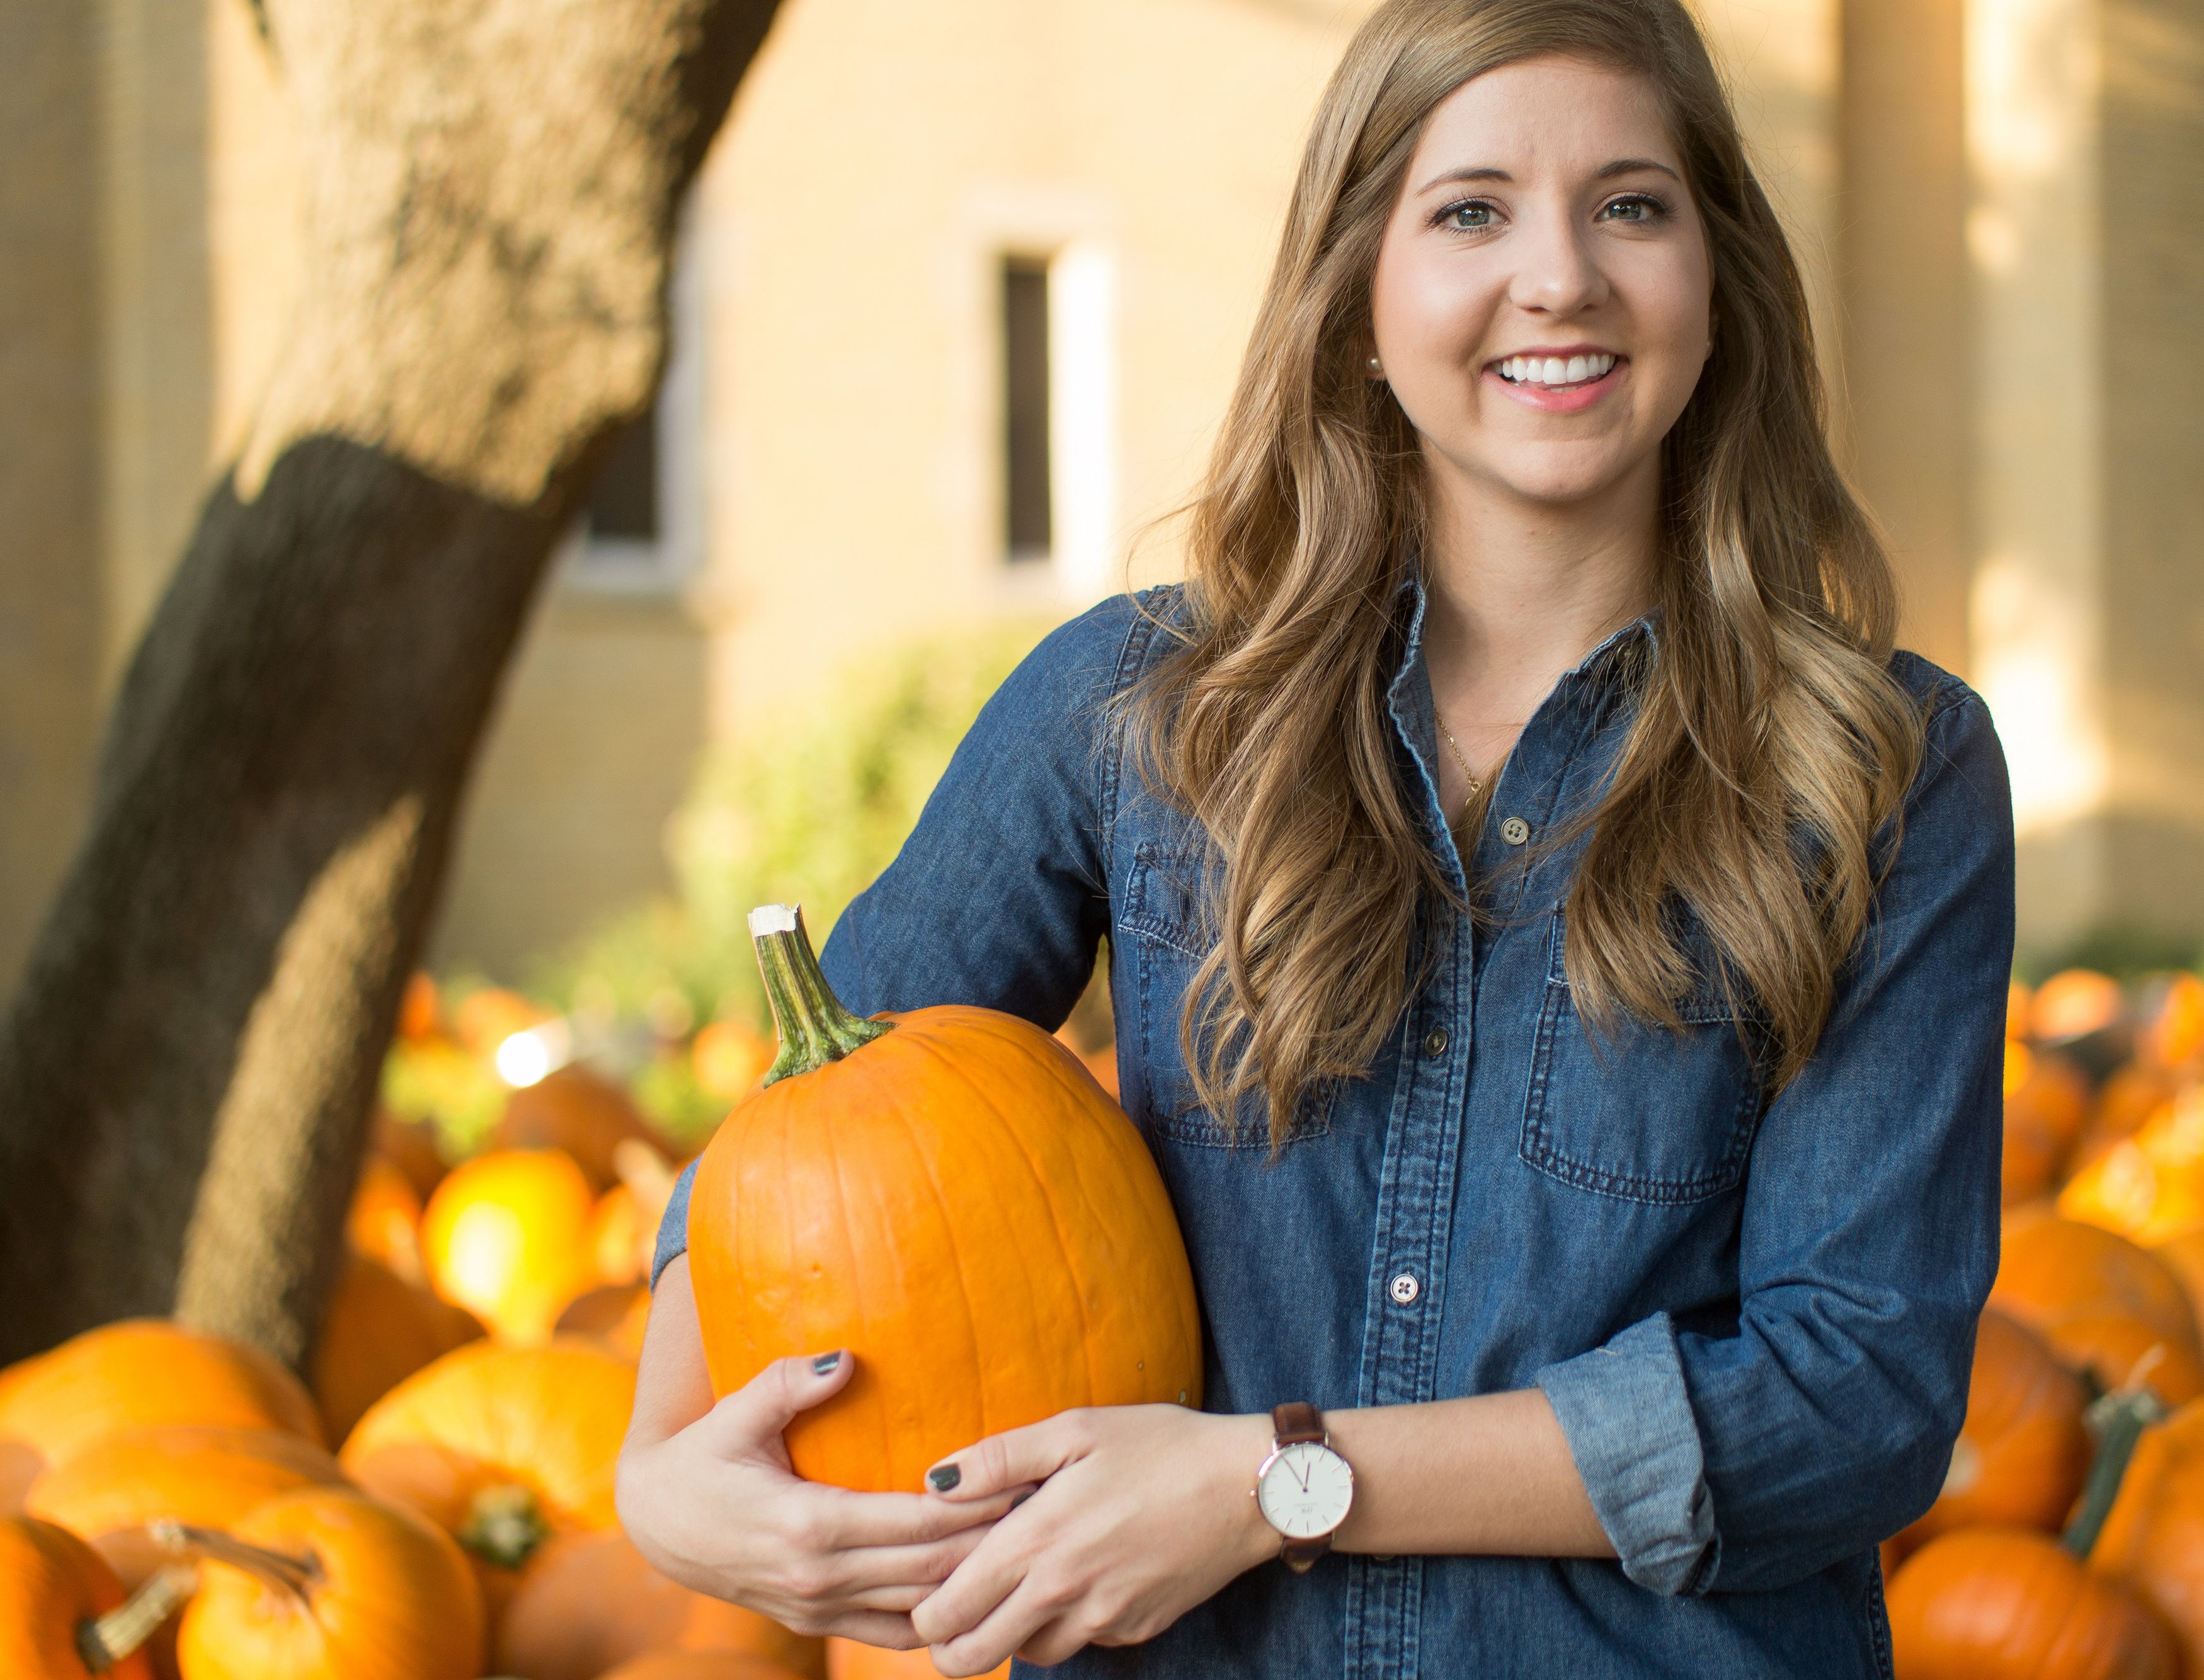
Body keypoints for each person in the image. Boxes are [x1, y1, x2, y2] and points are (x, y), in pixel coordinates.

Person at [618, 0, 2013, 1673]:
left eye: (1632, 205)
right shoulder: (1134, 712)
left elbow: (1854, 1397)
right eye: (1472, 210)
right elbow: (815, 1121)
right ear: (1359, 296)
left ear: (1715, 281)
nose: (1560, 275)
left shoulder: (1885, 768)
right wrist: (662, 1471)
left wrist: (1278, 1483)